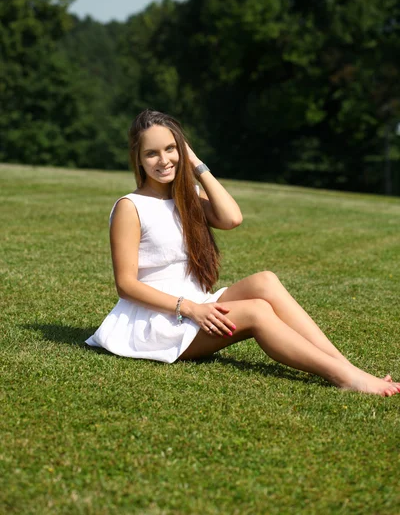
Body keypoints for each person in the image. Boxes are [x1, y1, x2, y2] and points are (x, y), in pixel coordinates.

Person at [86, 109, 400, 396]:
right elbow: (126, 285)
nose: (164, 160)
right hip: (159, 321)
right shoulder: (131, 207)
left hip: (198, 307)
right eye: (151, 153)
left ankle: (348, 368)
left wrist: (197, 167)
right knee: (256, 311)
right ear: (137, 159)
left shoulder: (187, 197)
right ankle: (345, 377)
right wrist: (191, 309)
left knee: (265, 281)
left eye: (171, 149)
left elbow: (231, 218)